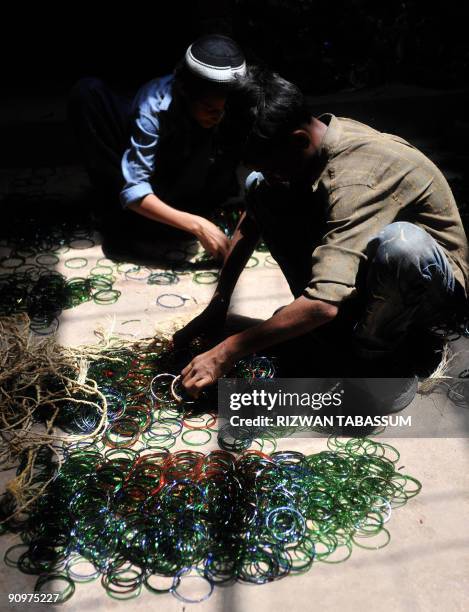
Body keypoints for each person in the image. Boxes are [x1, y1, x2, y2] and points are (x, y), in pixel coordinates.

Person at [175, 68, 469, 395]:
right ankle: (334, 332)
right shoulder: (320, 136)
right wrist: (219, 303)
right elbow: (253, 218)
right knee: (260, 188)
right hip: (373, 271)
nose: (271, 174)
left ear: (299, 139)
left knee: (402, 246)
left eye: (272, 165)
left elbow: (323, 304)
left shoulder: (357, 179)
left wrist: (227, 350)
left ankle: (377, 363)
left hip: (430, 288)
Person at [68, 35, 247, 260]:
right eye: (209, 107)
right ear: (186, 93)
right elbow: (135, 191)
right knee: (87, 93)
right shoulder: (153, 107)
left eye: (224, 108)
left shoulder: (233, 105)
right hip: (159, 179)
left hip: (195, 184)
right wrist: (196, 225)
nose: (218, 115)